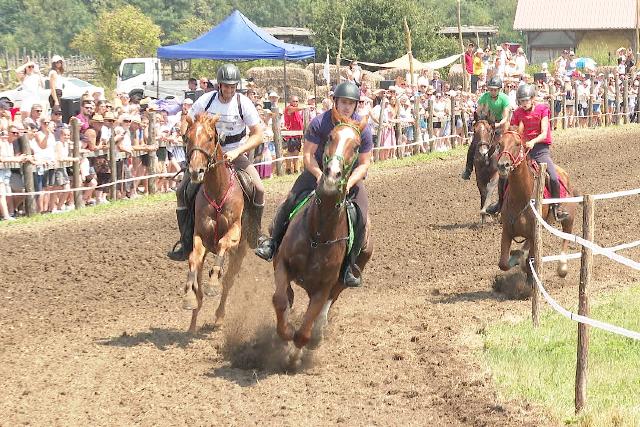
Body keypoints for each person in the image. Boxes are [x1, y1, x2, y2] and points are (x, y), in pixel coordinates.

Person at [255, 82, 373, 287]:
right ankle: (273, 243)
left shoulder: (363, 129)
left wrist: (349, 183)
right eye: (343, 102)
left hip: (348, 180)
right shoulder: (320, 122)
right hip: (316, 174)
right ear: (335, 101)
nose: (346, 107)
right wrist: (319, 175)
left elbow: (364, 164)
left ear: (356, 106)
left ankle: (348, 266)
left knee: (361, 217)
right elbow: (308, 155)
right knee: (290, 202)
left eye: (351, 103)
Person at [167, 63, 265, 261]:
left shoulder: (243, 103)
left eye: (232, 86)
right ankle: (186, 241)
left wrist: (238, 151)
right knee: (181, 191)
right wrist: (188, 137)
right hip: (205, 156)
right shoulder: (207, 100)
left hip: (234, 154)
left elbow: (258, 135)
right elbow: (188, 119)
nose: (229, 90)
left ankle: (256, 235)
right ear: (219, 85)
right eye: (226, 86)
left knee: (259, 188)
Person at [511, 84, 568, 221]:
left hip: (540, 149)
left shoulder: (542, 109)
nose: (523, 104)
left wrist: (533, 142)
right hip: (524, 150)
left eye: (526, 100)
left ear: (532, 99)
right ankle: (501, 204)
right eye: (521, 101)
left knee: (553, 177)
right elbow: (513, 130)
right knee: (505, 176)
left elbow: (544, 133)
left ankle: (556, 206)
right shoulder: (517, 113)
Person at [461, 75, 511, 181]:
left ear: (499, 89)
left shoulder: (504, 99)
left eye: (494, 90)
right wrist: (481, 118)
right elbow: (479, 110)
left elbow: (505, 118)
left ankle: (508, 167)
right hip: (487, 123)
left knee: (505, 144)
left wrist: (496, 125)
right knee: (474, 144)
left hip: (500, 125)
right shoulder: (484, 97)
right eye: (491, 89)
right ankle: (468, 169)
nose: (492, 91)